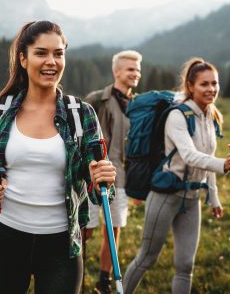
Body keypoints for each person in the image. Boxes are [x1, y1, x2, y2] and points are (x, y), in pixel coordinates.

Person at [0, 20, 116, 294]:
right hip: (7, 239)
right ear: (23, 59)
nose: (52, 61)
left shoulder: (80, 114)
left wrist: (102, 179)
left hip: (61, 246)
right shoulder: (0, 112)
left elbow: (100, 190)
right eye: (41, 53)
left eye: (58, 53)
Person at [123, 58, 230, 294]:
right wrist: (224, 164)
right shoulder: (178, 116)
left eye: (214, 84)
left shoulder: (210, 116)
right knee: (147, 257)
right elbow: (189, 155)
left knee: (186, 265)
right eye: (204, 84)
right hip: (166, 194)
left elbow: (208, 155)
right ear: (190, 86)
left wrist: (214, 198)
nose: (211, 89)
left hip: (192, 198)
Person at [84, 50, 142, 294]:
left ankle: (104, 281)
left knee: (114, 228)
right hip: (93, 176)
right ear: (116, 71)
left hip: (121, 177)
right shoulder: (97, 99)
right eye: (130, 69)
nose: (135, 73)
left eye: (138, 69)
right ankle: (74, 276)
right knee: (84, 229)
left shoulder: (138, 105)